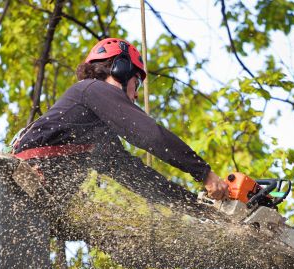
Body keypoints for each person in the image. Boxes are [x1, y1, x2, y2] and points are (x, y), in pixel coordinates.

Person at [12, 37, 228, 205]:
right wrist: (204, 173)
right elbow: (150, 135)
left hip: (31, 199)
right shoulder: (91, 89)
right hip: (19, 182)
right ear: (121, 70)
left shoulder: (97, 135)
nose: (135, 95)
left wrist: (199, 206)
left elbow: (140, 179)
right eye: (138, 83)